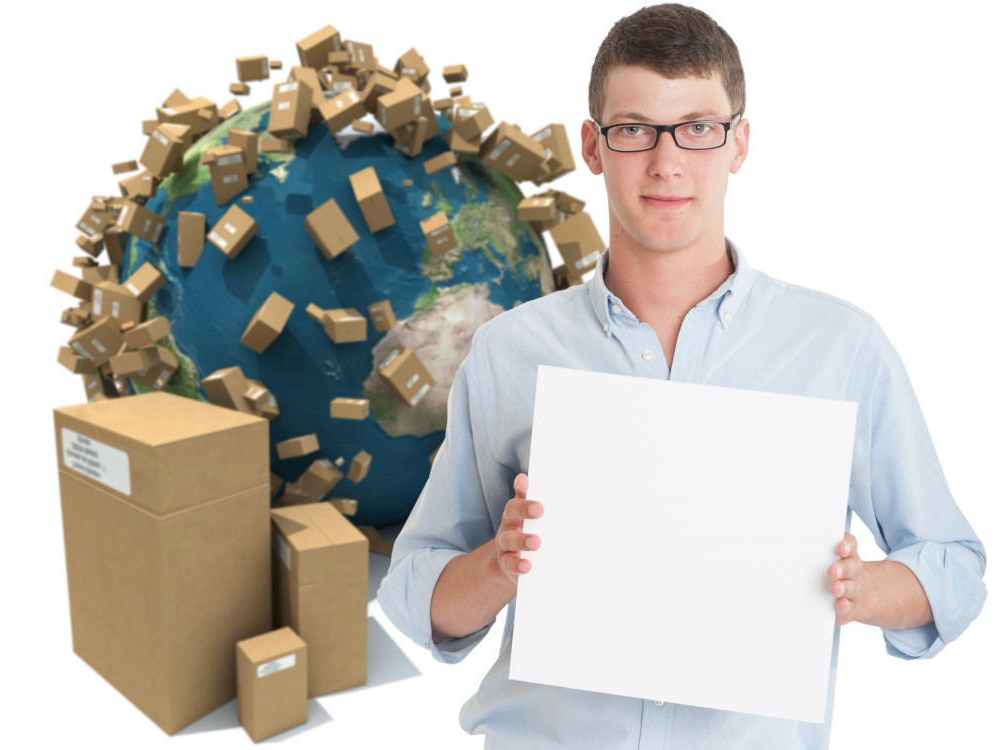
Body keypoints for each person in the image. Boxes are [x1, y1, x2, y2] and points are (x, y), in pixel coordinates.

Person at [377, 4, 987, 748]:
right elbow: (416, 594)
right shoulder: (511, 352)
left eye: (699, 127)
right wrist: (500, 567)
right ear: (594, 148)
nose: (667, 163)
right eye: (634, 129)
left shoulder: (840, 348)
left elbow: (954, 567)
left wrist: (867, 590)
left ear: (739, 144)